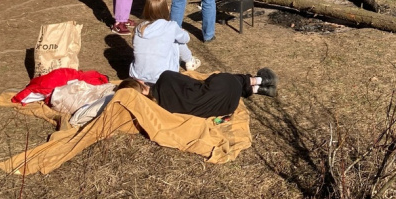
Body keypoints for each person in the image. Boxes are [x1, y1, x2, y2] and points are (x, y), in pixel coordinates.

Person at [117, 68, 278, 118]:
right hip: (224, 91)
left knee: (223, 85)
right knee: (223, 79)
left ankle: (258, 89)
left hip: (226, 107)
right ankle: (258, 80)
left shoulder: (158, 111)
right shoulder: (166, 78)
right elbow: (195, 83)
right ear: (140, 82)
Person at [130, 0, 200, 84]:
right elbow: (186, 39)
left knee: (170, 38)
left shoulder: (139, 27)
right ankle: (189, 60)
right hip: (164, 76)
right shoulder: (171, 26)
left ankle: (189, 60)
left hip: (138, 75)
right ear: (167, 8)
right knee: (177, 39)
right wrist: (180, 31)